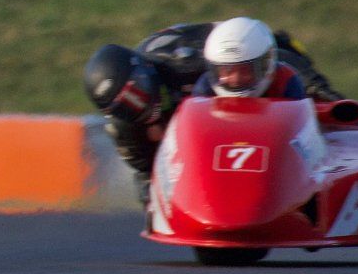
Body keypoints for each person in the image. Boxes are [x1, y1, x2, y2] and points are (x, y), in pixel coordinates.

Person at [83, 17, 342, 205]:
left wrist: (317, 86)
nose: (134, 108)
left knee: (295, 70)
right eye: (123, 108)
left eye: (135, 96)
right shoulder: (123, 124)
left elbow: (273, 54)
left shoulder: (184, 63)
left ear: (143, 76)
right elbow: (146, 174)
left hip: (249, 48)